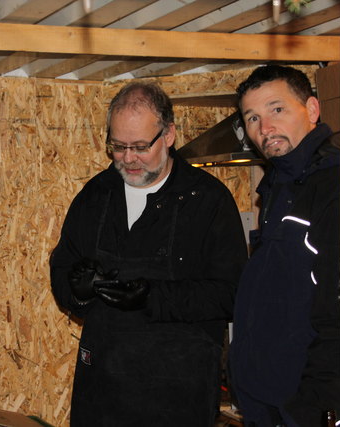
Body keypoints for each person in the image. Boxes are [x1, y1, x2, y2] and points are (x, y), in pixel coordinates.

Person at [50, 82, 247, 426]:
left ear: (169, 135)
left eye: (140, 146)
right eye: (118, 146)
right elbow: (63, 267)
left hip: (178, 393)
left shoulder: (207, 201)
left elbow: (231, 293)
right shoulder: (95, 196)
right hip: (102, 392)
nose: (128, 158)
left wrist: (153, 297)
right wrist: (77, 291)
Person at [229, 65, 340, 426]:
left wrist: (316, 410)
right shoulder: (278, 187)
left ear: (312, 109)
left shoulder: (334, 185)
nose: (264, 128)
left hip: (303, 406)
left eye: (277, 109)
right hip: (267, 401)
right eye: (252, 118)